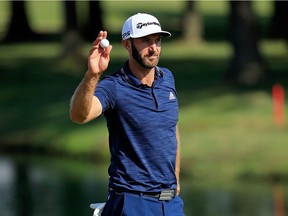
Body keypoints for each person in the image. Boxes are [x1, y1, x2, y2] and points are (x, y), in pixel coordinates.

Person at [70, 13, 185, 216]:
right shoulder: (113, 87)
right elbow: (80, 115)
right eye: (145, 41)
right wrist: (93, 75)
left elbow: (171, 128)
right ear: (127, 44)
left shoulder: (167, 78)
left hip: (171, 204)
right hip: (132, 203)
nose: (154, 48)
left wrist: (175, 177)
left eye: (157, 41)